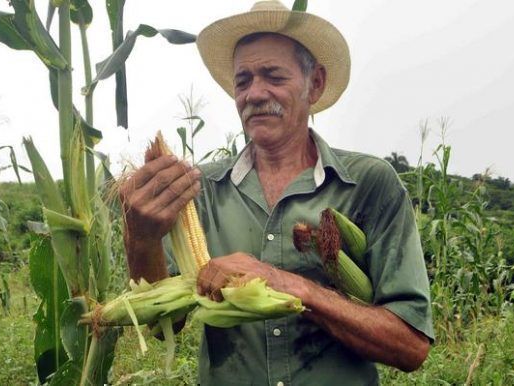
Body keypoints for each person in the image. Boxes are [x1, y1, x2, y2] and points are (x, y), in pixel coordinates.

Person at [120, 1, 434, 385]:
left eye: (273, 75)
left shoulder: (370, 184)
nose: (254, 93)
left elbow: (410, 345)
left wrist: (286, 284)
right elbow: (162, 324)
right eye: (243, 80)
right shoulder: (199, 190)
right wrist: (141, 238)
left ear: (314, 83)